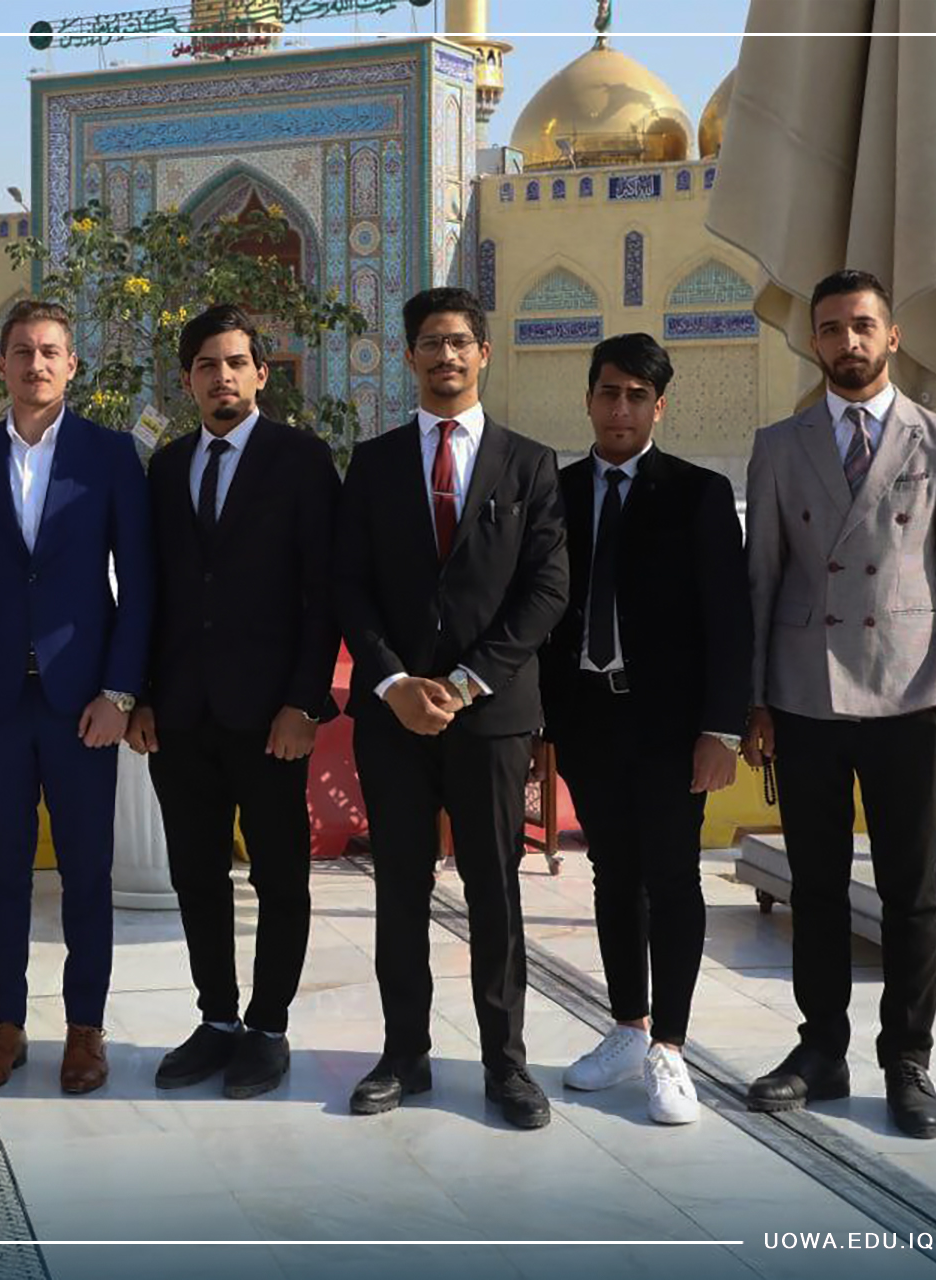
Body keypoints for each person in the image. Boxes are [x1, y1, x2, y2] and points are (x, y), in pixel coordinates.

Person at [741, 269, 936, 1139]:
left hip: (910, 696)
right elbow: (761, 580)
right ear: (812, 341)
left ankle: (908, 1060)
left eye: (861, 326)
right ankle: (821, 1050)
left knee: (908, 892)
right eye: (830, 328)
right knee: (814, 886)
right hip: (805, 694)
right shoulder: (780, 444)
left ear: (892, 336)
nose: (846, 342)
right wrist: (757, 700)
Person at [333, 286, 568, 1128]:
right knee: (399, 888)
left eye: (460, 341)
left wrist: (466, 683)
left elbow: (546, 591)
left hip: (491, 715)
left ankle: (506, 1064)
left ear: (484, 353)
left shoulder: (528, 463)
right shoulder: (374, 463)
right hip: (394, 717)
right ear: (409, 356)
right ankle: (405, 1053)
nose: (446, 356)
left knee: (493, 888)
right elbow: (349, 584)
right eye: (431, 342)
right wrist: (394, 683)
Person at [0, 299, 153, 1096]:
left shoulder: (110, 454)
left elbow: (140, 585)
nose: (36, 364)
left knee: (87, 872)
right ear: (1, 364)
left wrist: (120, 691)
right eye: (22, 350)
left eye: (51, 351)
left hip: (81, 701)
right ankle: (5, 1025)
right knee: (4, 872)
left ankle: (85, 1028)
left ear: (71, 364)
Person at [126, 304, 341, 1099]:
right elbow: (149, 592)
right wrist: (141, 695)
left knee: (279, 878)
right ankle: (216, 1018)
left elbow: (324, 593)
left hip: (270, 717)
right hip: (181, 716)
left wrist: (304, 703)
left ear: (261, 373)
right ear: (187, 380)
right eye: (206, 365)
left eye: (236, 363)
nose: (222, 377)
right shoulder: (166, 466)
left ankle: (268, 1026)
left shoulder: (301, 459)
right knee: (197, 875)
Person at [539, 332, 751, 1125]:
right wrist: (539, 723)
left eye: (636, 396)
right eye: (609, 393)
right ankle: (627, 1027)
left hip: (670, 725)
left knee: (672, 877)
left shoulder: (697, 494)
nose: (620, 408)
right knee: (612, 873)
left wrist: (721, 730)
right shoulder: (555, 492)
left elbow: (729, 620)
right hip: (587, 717)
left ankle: (671, 1046)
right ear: (589, 399)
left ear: (659, 407)